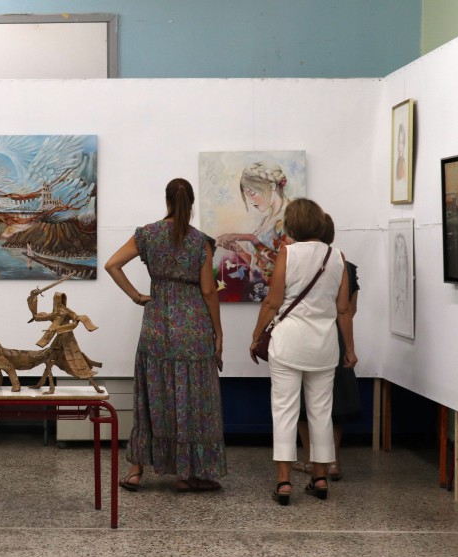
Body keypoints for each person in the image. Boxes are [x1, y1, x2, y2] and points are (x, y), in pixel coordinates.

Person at [105, 178, 226, 493]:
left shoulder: (147, 234)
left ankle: (135, 471)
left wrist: (136, 296)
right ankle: (187, 474)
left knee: (151, 395)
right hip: (194, 327)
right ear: (192, 202)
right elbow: (209, 291)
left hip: (157, 325)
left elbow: (112, 264)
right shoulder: (200, 241)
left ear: (167, 200)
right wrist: (218, 332)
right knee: (192, 399)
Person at [249, 198, 356, 505]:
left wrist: (256, 336)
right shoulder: (337, 256)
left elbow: (272, 302)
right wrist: (350, 349)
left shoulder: (288, 253)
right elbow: (343, 310)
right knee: (321, 411)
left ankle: (284, 483)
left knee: (285, 410)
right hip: (324, 346)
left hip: (289, 343)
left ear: (292, 224)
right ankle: (320, 478)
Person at [292, 214, 359, 480]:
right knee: (335, 400)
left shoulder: (293, 261)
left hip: (301, 338)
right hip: (335, 337)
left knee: (302, 400)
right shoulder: (346, 265)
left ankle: (311, 460)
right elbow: (350, 310)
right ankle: (333, 461)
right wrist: (350, 348)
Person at [215, 162, 293, 301]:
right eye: (247, 196)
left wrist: (250, 238)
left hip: (277, 297)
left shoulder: (290, 217)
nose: (250, 201)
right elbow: (260, 264)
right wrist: (239, 251)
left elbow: (285, 263)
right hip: (258, 294)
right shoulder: (266, 220)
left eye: (252, 193)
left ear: (272, 186)